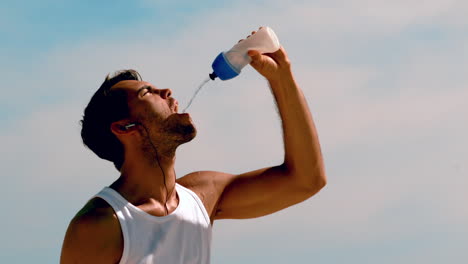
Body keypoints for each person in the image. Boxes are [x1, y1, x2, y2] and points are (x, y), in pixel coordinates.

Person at [60, 29, 327, 264]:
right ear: (124, 128)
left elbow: (306, 180)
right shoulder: (99, 225)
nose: (166, 91)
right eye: (147, 93)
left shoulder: (201, 196)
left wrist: (282, 79)